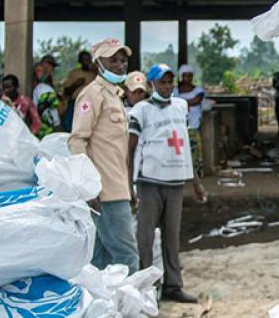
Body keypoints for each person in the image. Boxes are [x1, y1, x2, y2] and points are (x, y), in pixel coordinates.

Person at [128, 64, 207, 304]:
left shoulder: (180, 107)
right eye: (162, 82)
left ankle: (173, 285)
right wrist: (128, 185)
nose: (167, 86)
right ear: (152, 84)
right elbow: (130, 150)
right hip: (149, 182)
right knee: (145, 238)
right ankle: (147, 287)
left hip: (175, 182)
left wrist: (196, 183)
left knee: (172, 237)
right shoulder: (141, 110)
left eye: (170, 82)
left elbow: (184, 147)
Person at [68, 38, 140, 273]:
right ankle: (130, 307)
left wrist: (129, 189)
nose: (120, 65)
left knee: (100, 258)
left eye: (123, 60)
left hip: (117, 188)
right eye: (113, 60)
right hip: (104, 191)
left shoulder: (113, 95)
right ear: (99, 63)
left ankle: (102, 307)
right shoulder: (92, 95)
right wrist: (88, 185)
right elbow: (77, 140)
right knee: (126, 256)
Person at [174, 65, 206, 178]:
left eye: (190, 75)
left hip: (194, 124)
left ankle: (196, 172)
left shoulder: (199, 90)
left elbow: (196, 100)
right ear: (181, 76)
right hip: (179, 124)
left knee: (194, 149)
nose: (187, 78)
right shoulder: (175, 91)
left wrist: (181, 102)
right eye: (185, 75)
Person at [62, 51, 97, 130]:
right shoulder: (74, 73)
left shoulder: (95, 74)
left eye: (88, 59)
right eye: (84, 59)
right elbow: (66, 92)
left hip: (91, 103)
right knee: (68, 123)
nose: (87, 61)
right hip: (75, 102)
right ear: (80, 61)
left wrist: (96, 69)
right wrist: (76, 84)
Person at [32, 62, 62, 137]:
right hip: (49, 127)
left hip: (46, 127)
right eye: (38, 71)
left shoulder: (41, 88)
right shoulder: (43, 88)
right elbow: (42, 107)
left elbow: (41, 107)